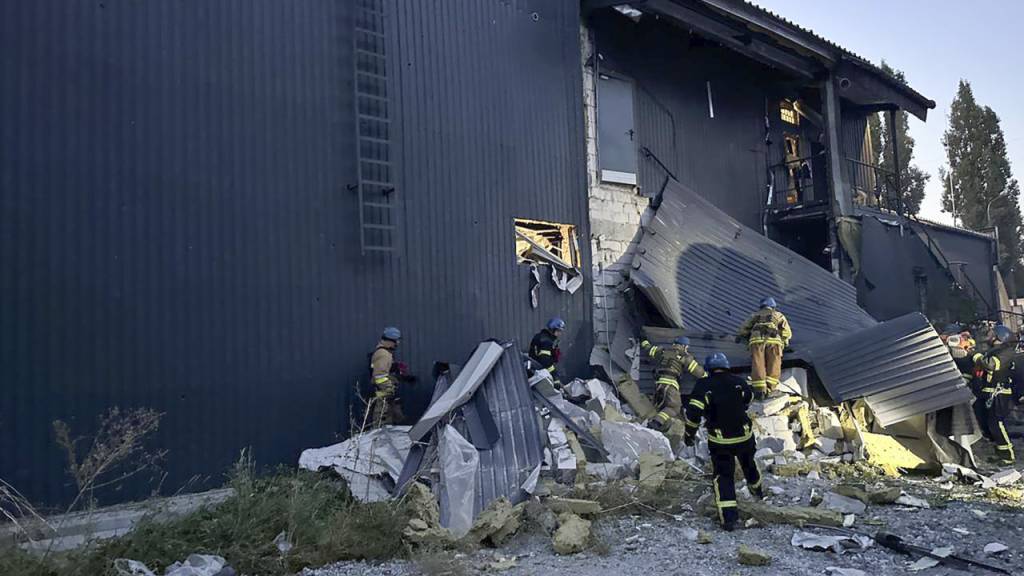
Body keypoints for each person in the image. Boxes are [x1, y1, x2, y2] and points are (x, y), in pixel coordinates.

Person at [684, 353, 763, 531]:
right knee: (749, 464)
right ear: (726, 366)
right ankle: (758, 492)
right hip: (744, 436)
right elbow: (749, 398)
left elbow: (693, 414)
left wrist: (689, 435)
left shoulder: (704, 385)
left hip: (721, 441)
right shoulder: (739, 381)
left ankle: (729, 519)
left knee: (724, 476)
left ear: (709, 369)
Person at [972, 325, 1020, 465]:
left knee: (996, 424)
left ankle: (1008, 456)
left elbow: (991, 365)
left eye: (991, 333)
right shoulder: (994, 351)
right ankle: (999, 452)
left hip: (999, 394)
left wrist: (975, 355)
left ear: (999, 337)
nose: (988, 335)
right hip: (988, 393)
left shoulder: (1006, 352)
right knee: (986, 424)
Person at [639, 336, 706, 431]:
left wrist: (644, 341)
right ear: (683, 346)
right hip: (670, 385)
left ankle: (655, 423)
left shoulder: (663, 352)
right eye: (686, 347)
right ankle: (655, 423)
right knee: (674, 408)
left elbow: (649, 349)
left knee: (661, 407)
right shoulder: (684, 358)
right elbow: (698, 372)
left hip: (659, 384)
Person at [736, 297, 792, 396]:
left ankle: (760, 389)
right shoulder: (778, 315)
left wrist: (742, 336)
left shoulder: (754, 315)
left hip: (756, 341)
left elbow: (743, 329)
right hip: (773, 341)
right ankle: (770, 388)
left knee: (758, 364)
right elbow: (786, 332)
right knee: (774, 363)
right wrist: (785, 342)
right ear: (773, 307)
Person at [367, 326, 406, 429]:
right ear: (391, 341)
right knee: (382, 424)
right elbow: (379, 377)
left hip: (385, 396)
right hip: (384, 397)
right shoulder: (383, 354)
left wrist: (395, 369)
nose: (398, 343)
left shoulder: (385, 353)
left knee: (389, 422)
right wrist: (389, 389)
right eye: (397, 341)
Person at [530, 317, 565, 388]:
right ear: (552, 330)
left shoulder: (542, 337)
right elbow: (545, 361)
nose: (559, 334)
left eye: (560, 331)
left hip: (534, 368)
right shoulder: (546, 341)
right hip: (539, 370)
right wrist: (555, 376)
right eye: (558, 331)